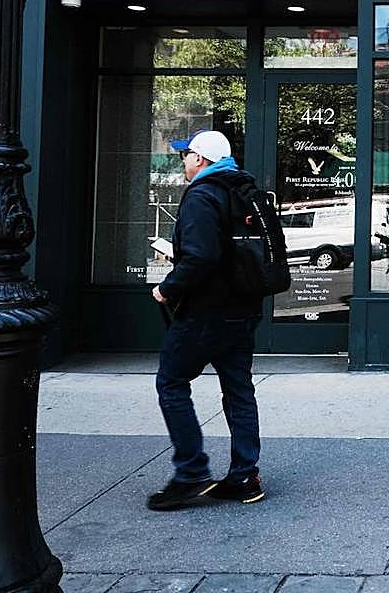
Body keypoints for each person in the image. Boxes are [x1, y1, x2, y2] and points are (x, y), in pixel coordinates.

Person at [147, 129, 266, 510]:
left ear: (201, 159)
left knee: (171, 382)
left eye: (187, 155)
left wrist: (169, 287)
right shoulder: (244, 190)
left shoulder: (202, 195)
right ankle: (245, 475)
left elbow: (200, 257)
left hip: (205, 312)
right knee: (238, 389)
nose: (183, 160)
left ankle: (191, 471)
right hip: (243, 309)